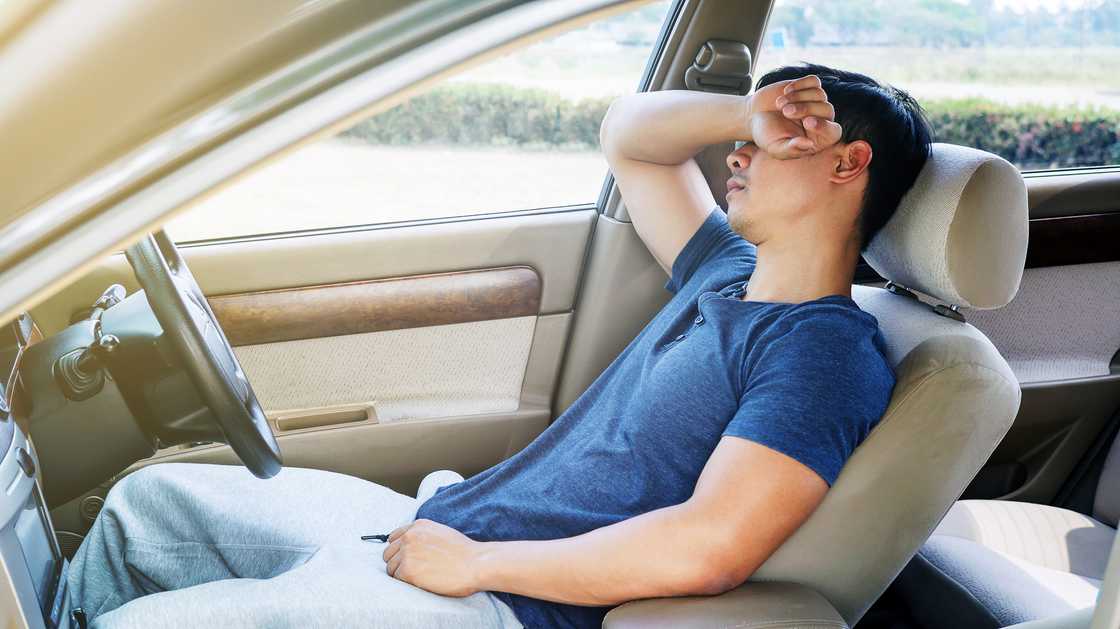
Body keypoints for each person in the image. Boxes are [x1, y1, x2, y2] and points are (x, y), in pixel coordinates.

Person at [68, 64, 933, 628]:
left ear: (848, 164)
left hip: (504, 601)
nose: (738, 152)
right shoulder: (724, 272)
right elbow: (629, 137)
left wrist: (476, 562)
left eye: (775, 136)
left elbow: (708, 546)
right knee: (147, 509)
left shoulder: (824, 352)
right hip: (442, 523)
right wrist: (745, 107)